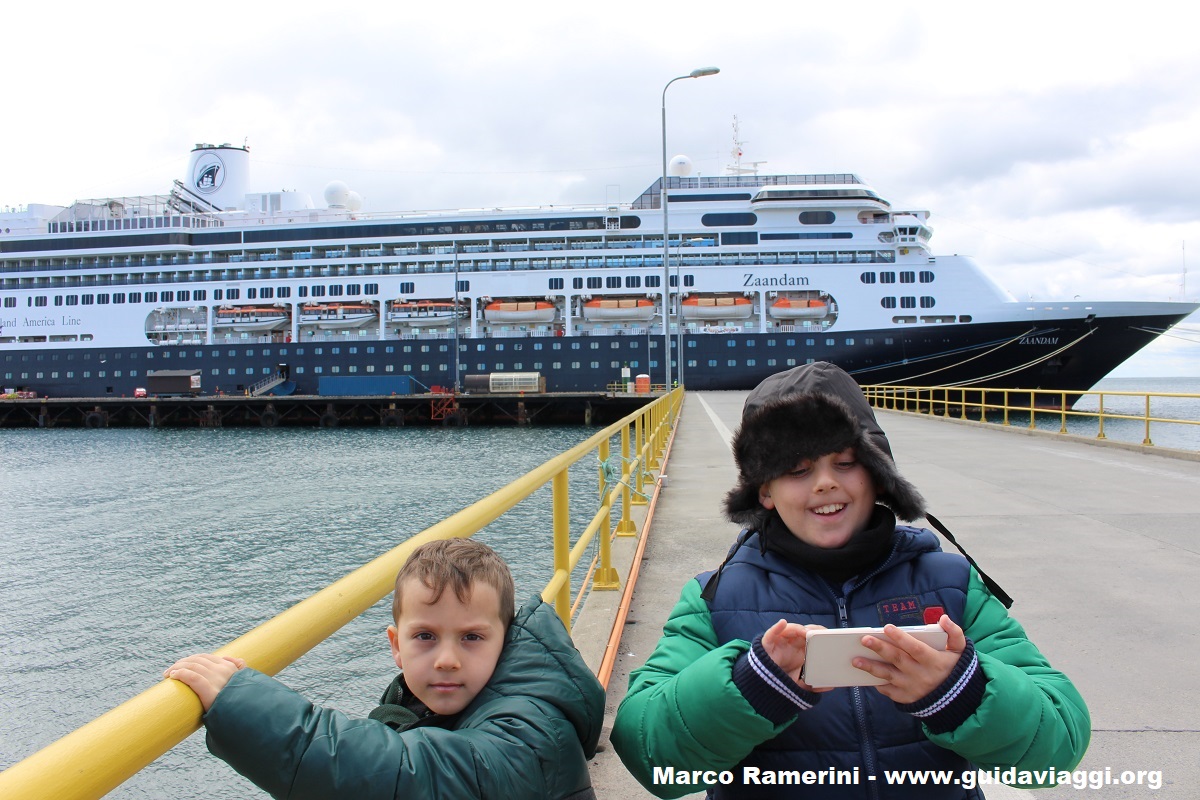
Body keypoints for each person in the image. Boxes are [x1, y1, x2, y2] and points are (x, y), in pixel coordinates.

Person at [611, 362, 1090, 798]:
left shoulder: (953, 585)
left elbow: (1056, 750)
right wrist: (750, 688)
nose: (825, 483)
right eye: (797, 469)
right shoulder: (715, 598)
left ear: (879, 477)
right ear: (765, 493)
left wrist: (962, 692)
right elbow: (651, 758)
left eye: (845, 463)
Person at [167, 538, 604, 799]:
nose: (447, 658)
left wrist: (244, 705)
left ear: (505, 641)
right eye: (424, 637)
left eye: (471, 637)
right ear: (395, 646)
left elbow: (408, 774)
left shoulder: (531, 734)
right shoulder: (441, 704)